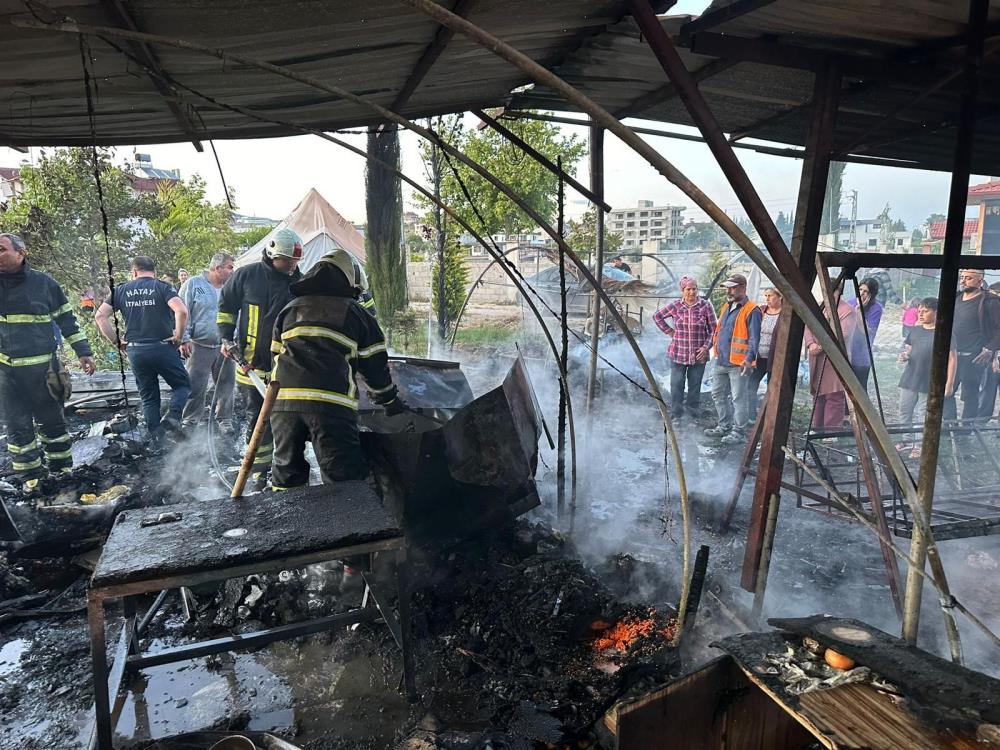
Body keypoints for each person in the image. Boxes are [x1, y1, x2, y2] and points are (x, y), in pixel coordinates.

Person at [269, 250, 404, 489]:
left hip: (282, 406)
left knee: (286, 474)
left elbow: (275, 357)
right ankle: (347, 525)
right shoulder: (355, 312)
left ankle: (287, 523)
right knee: (343, 481)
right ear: (351, 281)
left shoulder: (289, 309)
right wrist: (388, 400)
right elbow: (374, 366)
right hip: (329, 407)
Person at [0, 233, 96, 484]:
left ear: (21, 253)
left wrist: (84, 352)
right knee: (17, 428)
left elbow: (67, 320)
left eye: (2, 250)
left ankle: (62, 474)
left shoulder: (44, 284)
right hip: (6, 374)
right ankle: (31, 480)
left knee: (53, 424)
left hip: (43, 371)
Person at [217, 228, 303, 479]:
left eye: (295, 262)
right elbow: (226, 308)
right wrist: (225, 336)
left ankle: (285, 468)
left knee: (286, 419)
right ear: (273, 253)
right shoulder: (246, 276)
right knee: (257, 419)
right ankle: (258, 471)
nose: (291, 266)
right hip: (250, 366)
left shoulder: (300, 284)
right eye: (287, 261)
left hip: (284, 366)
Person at [96, 257, 191, 440]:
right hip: (162, 347)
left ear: (134, 271)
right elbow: (182, 311)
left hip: (136, 351)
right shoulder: (163, 287)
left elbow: (100, 317)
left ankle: (157, 440)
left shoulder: (121, 290)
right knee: (182, 385)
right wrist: (179, 337)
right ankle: (172, 418)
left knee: (149, 397)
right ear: (153, 271)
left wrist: (116, 342)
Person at [179, 252, 236, 430]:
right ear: (217, 268)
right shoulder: (194, 284)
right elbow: (182, 312)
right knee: (196, 385)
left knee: (226, 384)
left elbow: (239, 314)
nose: (232, 271)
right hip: (199, 345)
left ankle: (224, 419)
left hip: (224, 345)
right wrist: (183, 339)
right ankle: (190, 420)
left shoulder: (232, 288)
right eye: (229, 267)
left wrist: (235, 340)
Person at [897, 298, 958, 458]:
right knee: (904, 410)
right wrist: (905, 356)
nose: (920, 313)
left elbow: (952, 359)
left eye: (925, 311)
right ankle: (906, 439)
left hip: (930, 379)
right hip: (911, 377)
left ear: (936, 312)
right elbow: (909, 349)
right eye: (920, 310)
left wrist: (949, 384)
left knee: (922, 413)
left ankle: (919, 444)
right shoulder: (915, 330)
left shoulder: (944, 333)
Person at [705, 273, 761, 445]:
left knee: (738, 398)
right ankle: (724, 425)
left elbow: (754, 338)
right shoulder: (726, 307)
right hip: (721, 360)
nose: (729, 290)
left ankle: (739, 431)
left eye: (733, 287)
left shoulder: (752, 310)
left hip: (739, 363)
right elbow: (719, 331)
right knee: (717, 394)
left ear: (743, 288)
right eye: (728, 287)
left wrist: (749, 359)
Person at [653, 276, 716, 423]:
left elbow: (714, 329)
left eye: (694, 289)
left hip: (698, 354)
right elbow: (657, 317)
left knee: (695, 385)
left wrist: (706, 347)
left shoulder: (705, 306)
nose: (692, 292)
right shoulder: (676, 306)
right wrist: (669, 331)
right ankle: (676, 413)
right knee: (676, 384)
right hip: (678, 352)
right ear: (683, 291)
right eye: (688, 289)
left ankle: (692, 414)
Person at [804, 295, 858, 431]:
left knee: (834, 395)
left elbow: (842, 334)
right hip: (817, 357)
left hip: (835, 358)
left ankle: (831, 430)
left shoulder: (848, 311)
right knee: (818, 393)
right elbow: (808, 326)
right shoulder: (819, 307)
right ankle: (817, 427)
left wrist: (821, 346)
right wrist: (811, 344)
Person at [951, 269, 1000, 420]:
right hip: (952, 354)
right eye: (962, 277)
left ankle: (966, 430)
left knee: (970, 395)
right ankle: (949, 424)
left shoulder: (989, 301)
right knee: (946, 391)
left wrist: (991, 348)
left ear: (980, 281)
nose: (963, 281)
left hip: (974, 357)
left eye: (968, 278)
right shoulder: (956, 298)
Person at [748, 287, 782, 420]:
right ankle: (751, 414)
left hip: (774, 357)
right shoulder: (762, 311)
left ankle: (769, 416)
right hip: (759, 356)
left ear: (779, 297)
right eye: (766, 296)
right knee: (751, 383)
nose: (767, 299)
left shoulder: (784, 314)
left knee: (772, 387)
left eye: (770, 296)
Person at [848, 277, 884, 390]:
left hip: (862, 356)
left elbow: (866, 332)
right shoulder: (850, 302)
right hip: (848, 351)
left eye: (866, 291)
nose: (861, 293)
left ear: (872, 294)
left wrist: (859, 310)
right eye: (860, 289)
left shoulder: (876, 308)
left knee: (859, 389)